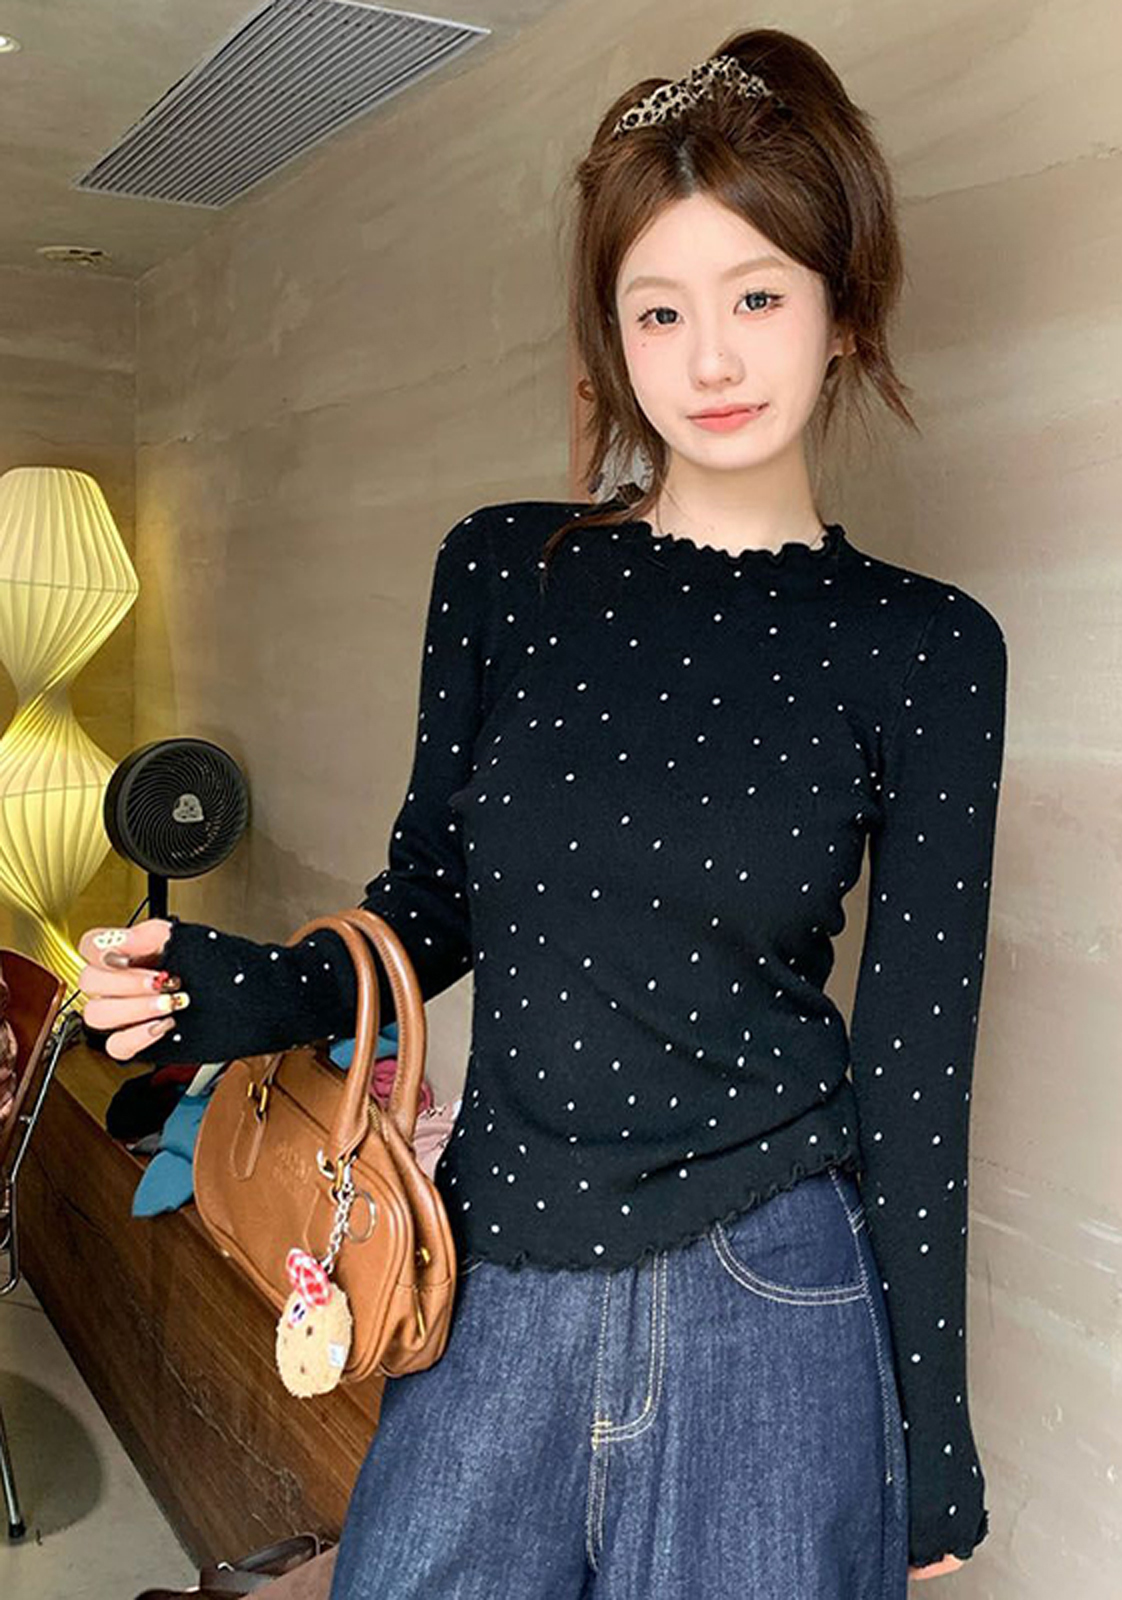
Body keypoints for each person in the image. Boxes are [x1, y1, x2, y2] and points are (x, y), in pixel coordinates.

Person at [75, 28, 1007, 1598]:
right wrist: (242, 990)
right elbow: (428, 896)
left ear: (844, 311)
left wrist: (937, 1454)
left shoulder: (925, 649)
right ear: (616, 337)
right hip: (498, 1264)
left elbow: (918, 1076)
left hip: (771, 1294)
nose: (710, 360)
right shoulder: (510, 573)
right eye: (661, 310)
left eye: (758, 297)